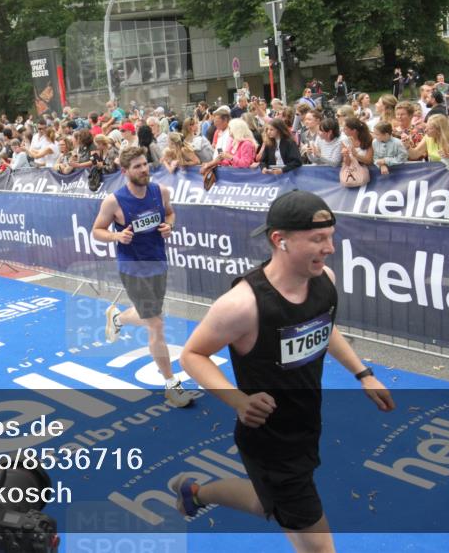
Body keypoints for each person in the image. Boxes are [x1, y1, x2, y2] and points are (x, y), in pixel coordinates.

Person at [172, 190, 394, 551]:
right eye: (317, 239)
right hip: (271, 445)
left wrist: (363, 373)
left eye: (331, 237)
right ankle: (196, 493)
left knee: (267, 503)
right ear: (280, 240)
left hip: (306, 425)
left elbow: (323, 326)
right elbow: (193, 355)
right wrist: (239, 401)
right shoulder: (242, 305)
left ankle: (194, 493)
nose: (329, 248)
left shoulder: (325, 281)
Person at [92, 147, 192, 408]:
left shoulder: (161, 192)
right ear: (125, 171)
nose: (144, 169)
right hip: (132, 269)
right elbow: (97, 230)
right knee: (156, 324)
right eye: (137, 166)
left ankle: (117, 318)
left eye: (145, 164)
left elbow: (170, 213)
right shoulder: (114, 201)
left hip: (158, 264)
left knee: (150, 315)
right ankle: (171, 383)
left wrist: (170, 226)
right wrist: (116, 235)